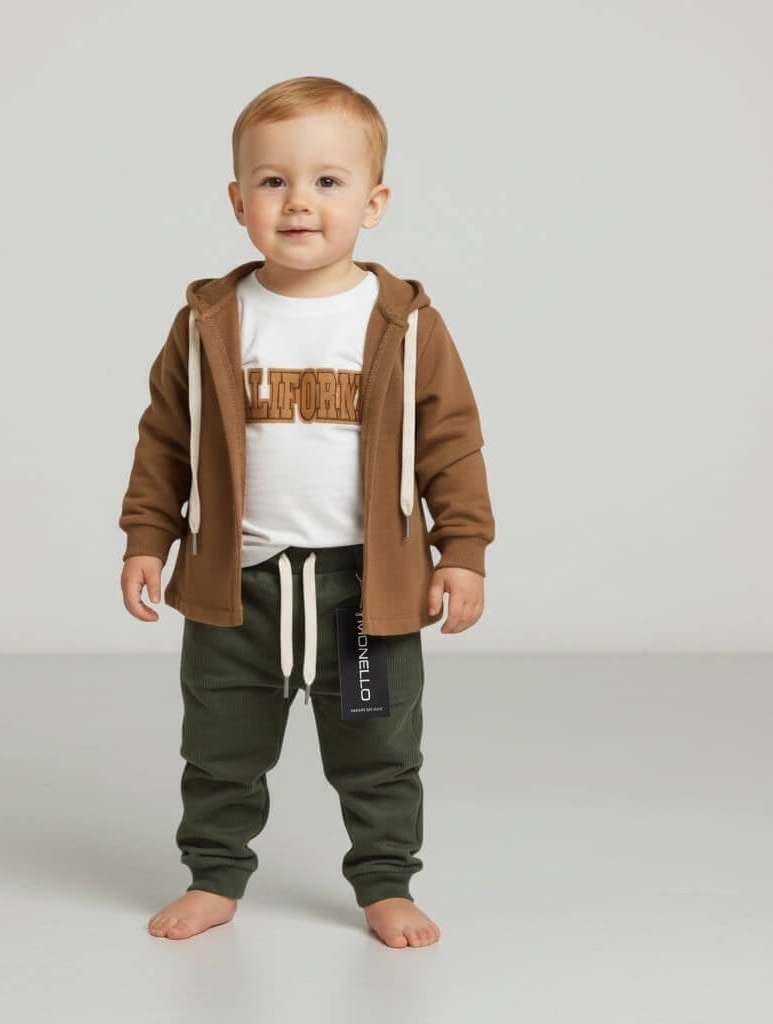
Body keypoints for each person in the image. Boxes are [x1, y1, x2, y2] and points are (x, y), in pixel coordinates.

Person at [118, 76, 495, 948]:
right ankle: (214, 876)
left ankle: (385, 883)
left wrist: (462, 551)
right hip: (236, 588)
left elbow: (451, 445)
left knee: (379, 749)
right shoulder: (211, 320)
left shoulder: (403, 323)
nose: (298, 202)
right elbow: (165, 439)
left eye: (327, 181)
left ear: (374, 203)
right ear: (237, 201)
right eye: (273, 181)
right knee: (220, 747)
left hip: (363, 593)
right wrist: (147, 538)